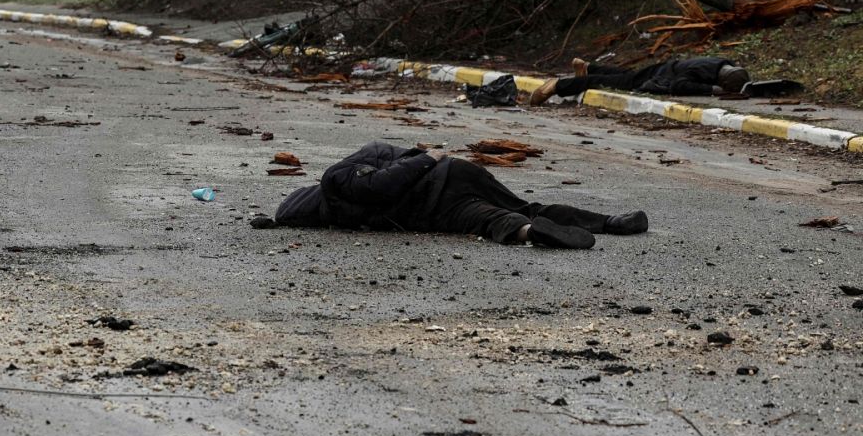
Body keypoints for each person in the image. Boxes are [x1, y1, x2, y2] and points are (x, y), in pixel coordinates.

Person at [256, 141, 649, 249]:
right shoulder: (341, 189)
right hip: (445, 179)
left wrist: (424, 160)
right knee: (515, 209)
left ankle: (533, 233)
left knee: (490, 220)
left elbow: (384, 186)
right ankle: (608, 223)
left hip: (439, 199)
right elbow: (386, 179)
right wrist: (428, 156)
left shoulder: (341, 197)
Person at [528, 56, 750, 106]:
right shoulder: (699, 73)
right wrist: (712, 89)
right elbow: (679, 86)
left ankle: (588, 67)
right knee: (618, 81)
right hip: (661, 76)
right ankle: (558, 85)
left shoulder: (721, 62)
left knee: (624, 75)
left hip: (663, 68)